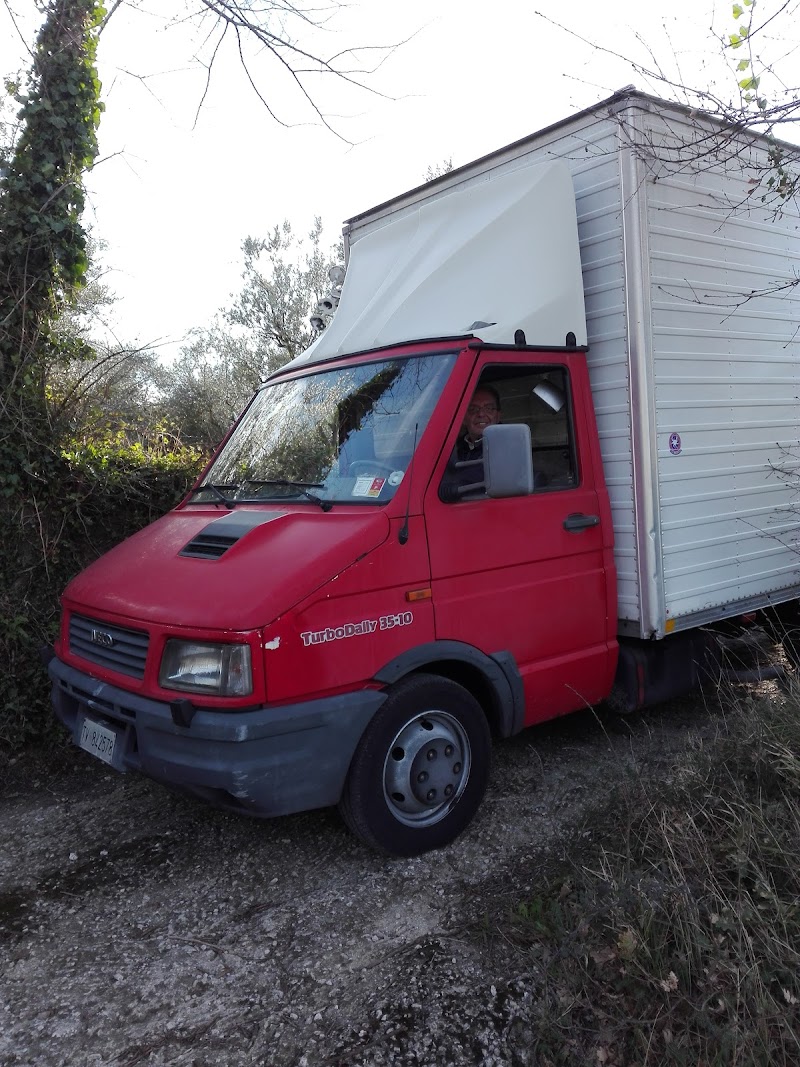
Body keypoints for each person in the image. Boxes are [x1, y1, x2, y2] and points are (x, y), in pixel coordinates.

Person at [440, 385, 501, 499]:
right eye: (473, 409)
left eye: (488, 408)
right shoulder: (449, 449)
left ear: (498, 416)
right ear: (463, 418)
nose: (481, 414)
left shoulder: (508, 446)